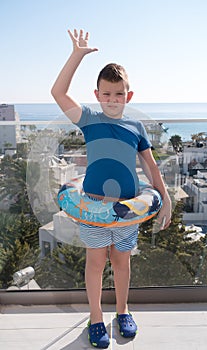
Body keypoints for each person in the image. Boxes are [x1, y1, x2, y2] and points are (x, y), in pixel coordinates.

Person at [51, 28, 172, 349]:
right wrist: (76, 55)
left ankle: (122, 311)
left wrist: (167, 200)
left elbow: (150, 165)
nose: (112, 100)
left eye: (119, 95)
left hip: (128, 211)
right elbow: (58, 93)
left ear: (128, 97)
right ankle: (95, 316)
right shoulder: (90, 119)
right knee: (95, 263)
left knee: (122, 262)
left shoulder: (136, 126)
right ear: (97, 94)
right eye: (106, 94)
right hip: (92, 208)